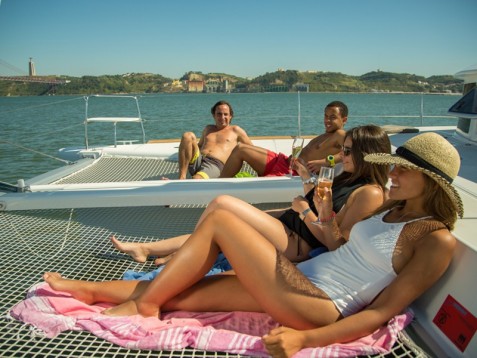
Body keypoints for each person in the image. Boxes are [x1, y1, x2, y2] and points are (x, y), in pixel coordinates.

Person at [43, 132, 463, 357]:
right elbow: (340, 246)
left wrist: (306, 341)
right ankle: (89, 290)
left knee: (224, 213)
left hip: (319, 304)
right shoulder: (391, 209)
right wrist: (324, 213)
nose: (391, 173)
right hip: (298, 281)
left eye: (402, 170)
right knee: (184, 292)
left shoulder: (434, 239)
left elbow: (381, 312)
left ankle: (143, 305)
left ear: (431, 181)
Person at [112, 125, 391, 265]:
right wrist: (307, 181)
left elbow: (335, 245)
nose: (340, 155)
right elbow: (320, 207)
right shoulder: (348, 176)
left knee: (222, 205)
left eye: (347, 150)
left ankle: (181, 258)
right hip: (291, 222)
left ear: (367, 154)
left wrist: (305, 212)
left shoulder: (370, 193)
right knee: (217, 222)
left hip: (297, 241)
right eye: (343, 148)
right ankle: (149, 249)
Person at [219, 100, 348, 178]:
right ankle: (219, 184)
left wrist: (326, 161)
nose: (327, 120)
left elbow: (355, 152)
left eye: (332, 117)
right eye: (325, 116)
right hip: (284, 161)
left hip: (293, 173)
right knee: (240, 149)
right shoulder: (326, 134)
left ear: (344, 119)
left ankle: (217, 188)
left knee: (241, 149)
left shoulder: (340, 134)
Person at [177, 100, 252, 179]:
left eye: (225, 114)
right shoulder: (208, 128)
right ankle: (182, 177)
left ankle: (188, 182)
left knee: (197, 179)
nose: (222, 117)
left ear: (230, 116)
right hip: (199, 160)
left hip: (215, 164)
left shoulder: (236, 130)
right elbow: (199, 145)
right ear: (214, 115)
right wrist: (183, 158)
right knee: (187, 136)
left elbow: (251, 149)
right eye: (219, 114)